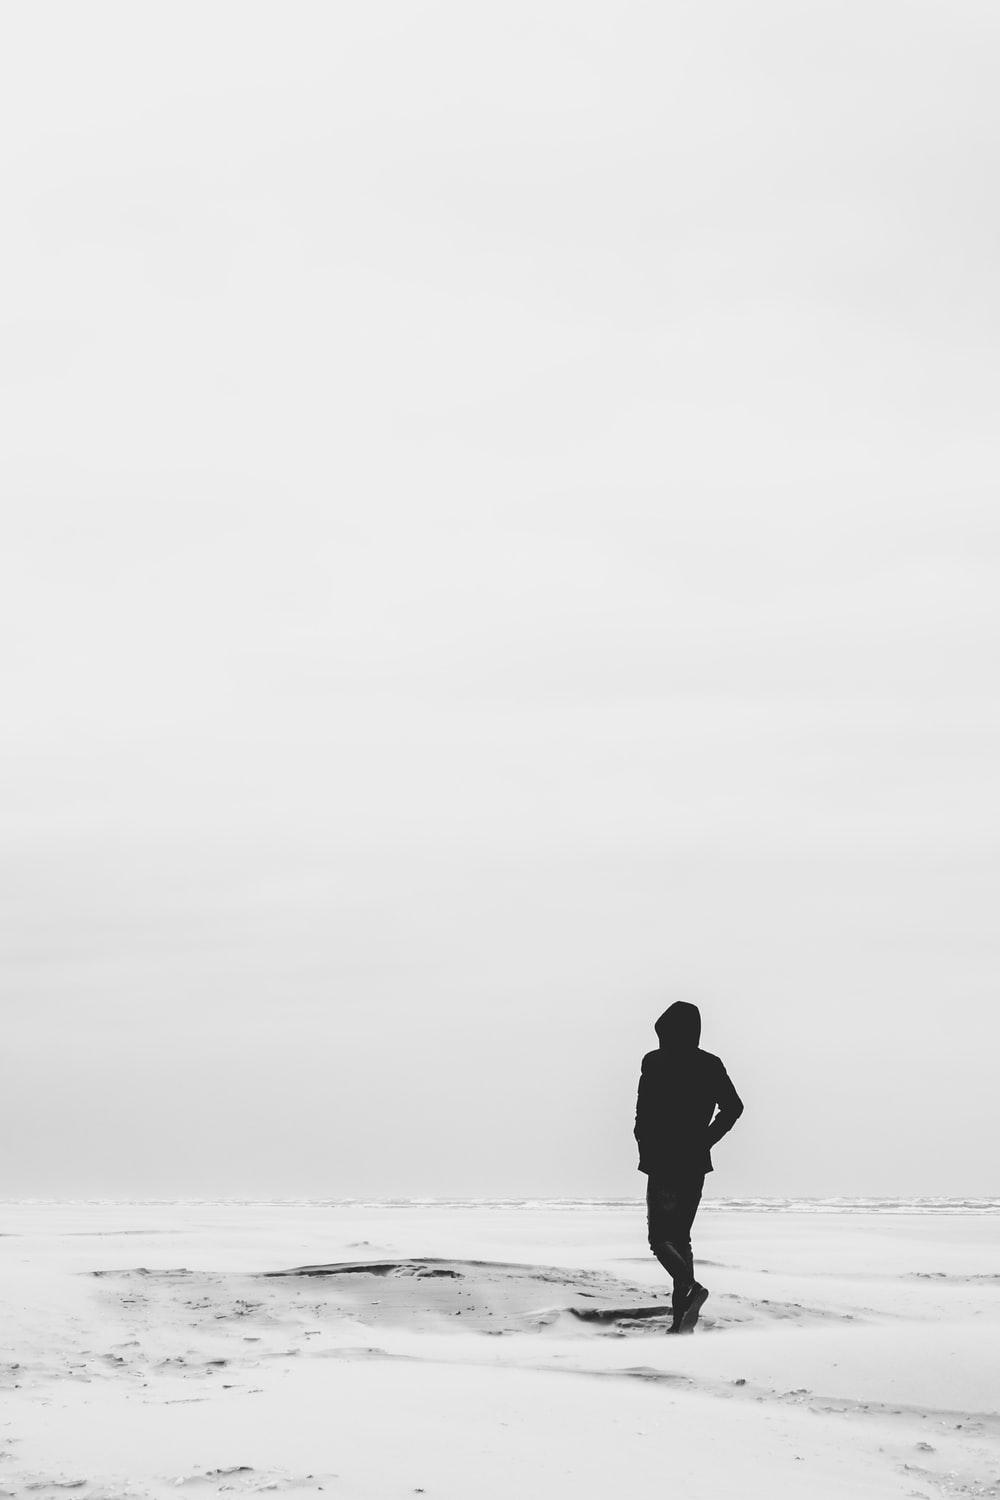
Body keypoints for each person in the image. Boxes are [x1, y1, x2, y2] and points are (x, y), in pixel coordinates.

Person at [634, 1001, 744, 1333]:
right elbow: (733, 1108)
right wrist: (705, 1140)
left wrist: (643, 1141)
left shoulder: (655, 1061)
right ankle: (681, 1319)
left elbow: (644, 1108)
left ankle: (691, 1290)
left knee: (659, 1238)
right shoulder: (710, 1064)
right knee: (681, 1238)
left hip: (664, 1159)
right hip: (693, 1161)